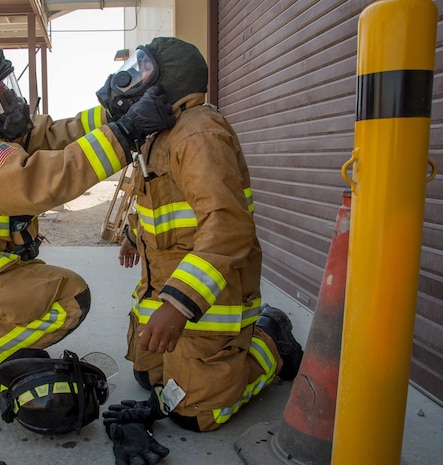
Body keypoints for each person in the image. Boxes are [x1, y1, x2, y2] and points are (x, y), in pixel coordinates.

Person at [0, 42, 176, 402]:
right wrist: (126, 133)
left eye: (8, 84)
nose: (9, 96)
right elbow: (40, 180)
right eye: (0, 89)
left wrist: (110, 113)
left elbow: (48, 136)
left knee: (33, 292)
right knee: (68, 300)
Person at [96, 37, 304, 440]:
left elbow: (228, 227)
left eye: (143, 69)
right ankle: (205, 358)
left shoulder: (198, 135)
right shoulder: (162, 131)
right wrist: (131, 234)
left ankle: (271, 344)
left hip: (208, 296)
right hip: (163, 284)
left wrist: (177, 306)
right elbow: (156, 199)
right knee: (145, 375)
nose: (131, 78)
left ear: (169, 81)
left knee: (192, 414)